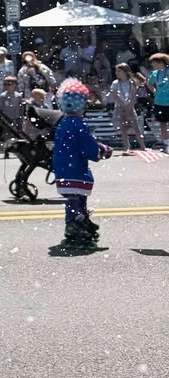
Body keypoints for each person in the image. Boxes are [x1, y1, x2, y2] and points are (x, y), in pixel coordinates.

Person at [49, 79, 113, 253]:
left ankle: (80, 224)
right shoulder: (79, 124)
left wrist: (97, 147)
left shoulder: (64, 123)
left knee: (73, 199)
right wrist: (102, 151)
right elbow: (88, 147)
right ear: (80, 104)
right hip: (75, 168)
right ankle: (75, 229)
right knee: (76, 200)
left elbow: (76, 144)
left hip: (64, 167)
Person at [108, 62, 148, 151]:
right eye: (116, 71)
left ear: (125, 72)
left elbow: (134, 95)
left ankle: (142, 146)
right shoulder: (115, 83)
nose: (117, 73)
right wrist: (122, 105)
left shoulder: (131, 82)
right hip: (120, 107)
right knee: (123, 128)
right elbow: (115, 95)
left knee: (135, 127)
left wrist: (129, 105)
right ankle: (126, 146)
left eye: (119, 71)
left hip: (130, 106)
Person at [146, 52, 169, 148]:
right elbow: (149, 83)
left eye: (154, 63)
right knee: (163, 123)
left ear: (161, 62)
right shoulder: (155, 73)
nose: (152, 65)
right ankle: (165, 141)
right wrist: (154, 91)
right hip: (159, 101)